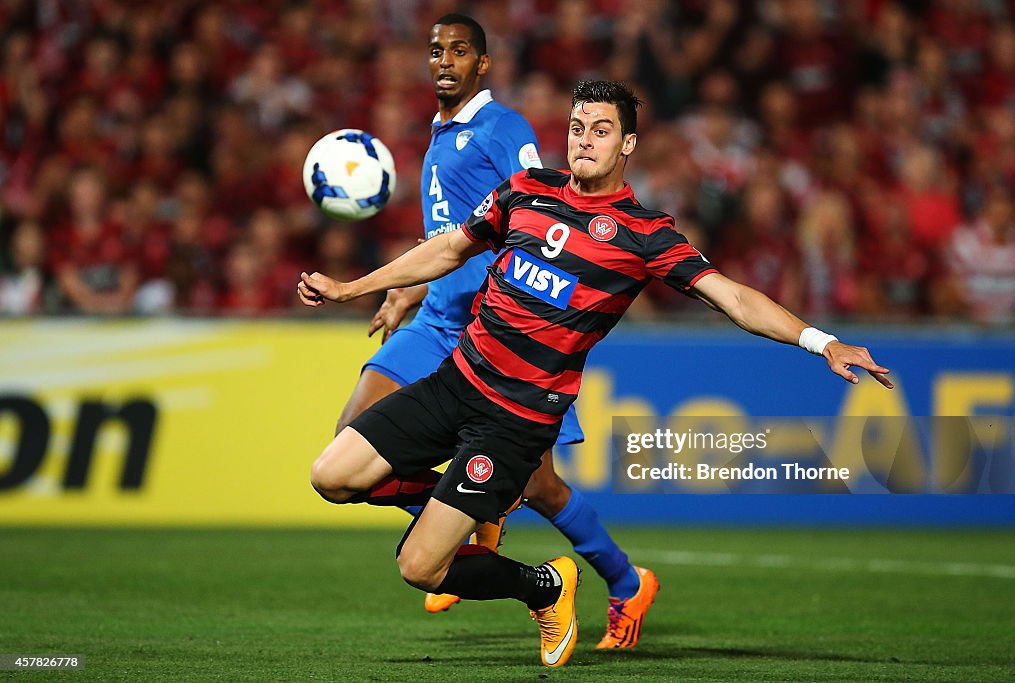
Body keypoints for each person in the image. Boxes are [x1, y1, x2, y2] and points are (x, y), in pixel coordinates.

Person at [297, 80, 893, 668]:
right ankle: (475, 511)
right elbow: (449, 250)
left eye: (601, 131)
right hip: (455, 381)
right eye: (577, 128)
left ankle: (545, 588)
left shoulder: (643, 233)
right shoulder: (526, 190)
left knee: (419, 568)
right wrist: (354, 288)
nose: (584, 140)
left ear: (628, 144)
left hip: (514, 421)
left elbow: (733, 298)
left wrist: (823, 341)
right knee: (332, 475)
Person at [334, 14, 657, 649]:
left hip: (495, 329)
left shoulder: (504, 129)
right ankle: (461, 521)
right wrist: (407, 285)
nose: (445, 61)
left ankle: (623, 582)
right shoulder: (440, 134)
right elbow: (451, 234)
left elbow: (539, 209)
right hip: (435, 319)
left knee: (539, 485)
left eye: (459, 51)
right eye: (435, 51)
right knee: (348, 447)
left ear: (482, 64)